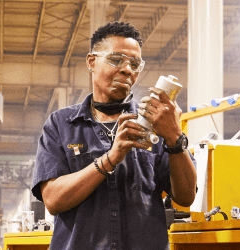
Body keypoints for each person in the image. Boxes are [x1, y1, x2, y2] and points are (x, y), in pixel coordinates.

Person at [30, 21, 197, 250]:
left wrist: (175, 139)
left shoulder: (156, 124)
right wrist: (110, 158)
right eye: (116, 60)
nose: (127, 69)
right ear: (92, 62)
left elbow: (186, 197)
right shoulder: (61, 124)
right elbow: (53, 200)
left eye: (135, 64)